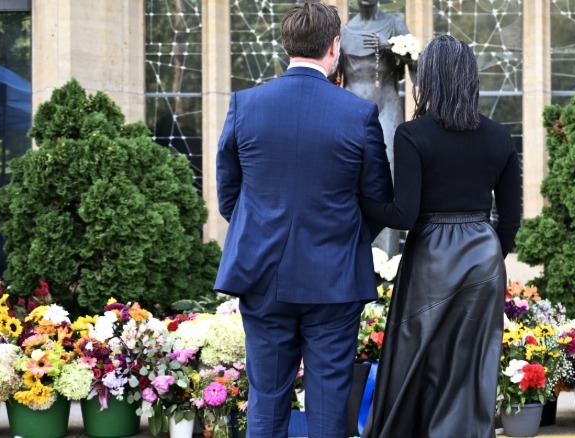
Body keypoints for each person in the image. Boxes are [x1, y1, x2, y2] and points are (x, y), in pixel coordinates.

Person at [214, 2, 393, 437]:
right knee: (329, 404)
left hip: (262, 274)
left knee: (266, 399)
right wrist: (345, 236)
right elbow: (378, 200)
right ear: (336, 46)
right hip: (333, 278)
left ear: (285, 45)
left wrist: (260, 231)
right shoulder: (358, 114)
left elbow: (228, 194)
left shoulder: (245, 105)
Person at [361, 35, 522, 437]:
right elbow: (512, 217)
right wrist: (487, 257)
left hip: (432, 255)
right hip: (483, 256)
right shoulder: (499, 136)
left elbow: (404, 215)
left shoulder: (413, 134)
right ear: (470, 79)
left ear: (428, 78)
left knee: (418, 361)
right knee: (470, 368)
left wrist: (361, 197)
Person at [339, 0, 415, 257]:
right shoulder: (344, 32)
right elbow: (331, 74)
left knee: (389, 172)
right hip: (350, 107)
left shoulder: (394, 24)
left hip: (386, 105)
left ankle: (388, 258)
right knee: (348, 175)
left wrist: (393, 49)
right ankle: (352, 255)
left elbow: (418, 66)